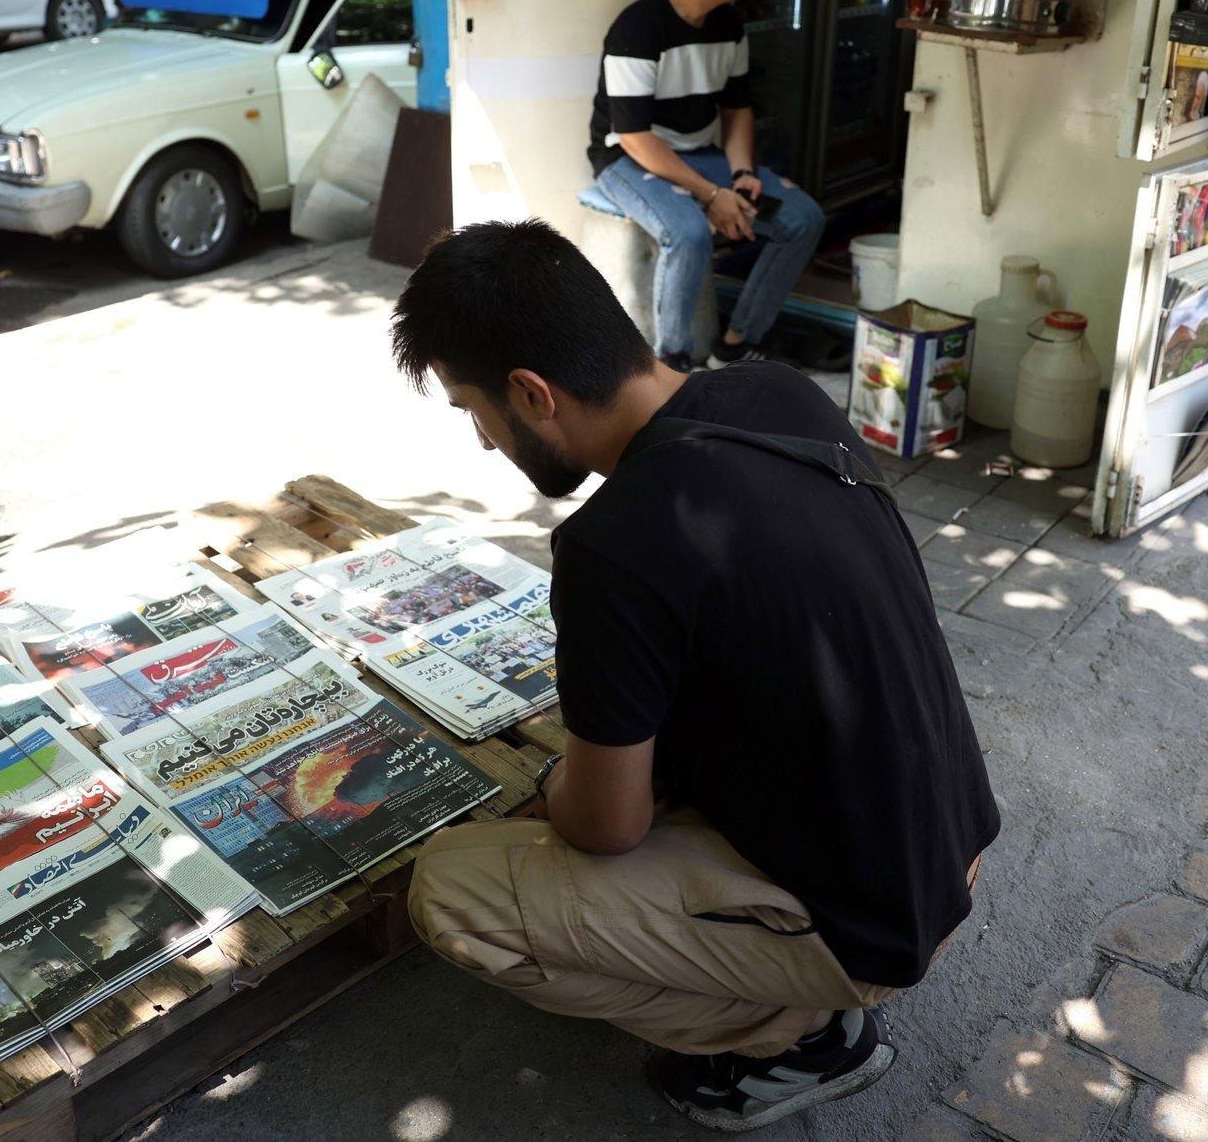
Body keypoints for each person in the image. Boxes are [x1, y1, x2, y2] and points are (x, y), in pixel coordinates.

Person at [392, 220, 999, 1133]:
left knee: (453, 890)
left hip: (870, 927)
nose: (483, 441)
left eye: (472, 409)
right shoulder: (777, 391)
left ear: (531, 392)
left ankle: (799, 1036)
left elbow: (606, 827)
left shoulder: (613, 546)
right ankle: (787, 976)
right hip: (951, 842)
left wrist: (557, 791)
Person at [589, 0, 826, 372]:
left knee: (801, 218)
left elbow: (737, 110)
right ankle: (672, 363)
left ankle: (735, 345)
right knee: (690, 232)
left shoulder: (729, 25)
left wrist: (741, 174)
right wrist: (711, 195)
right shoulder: (637, 29)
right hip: (627, 161)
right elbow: (634, 137)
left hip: (700, 156)